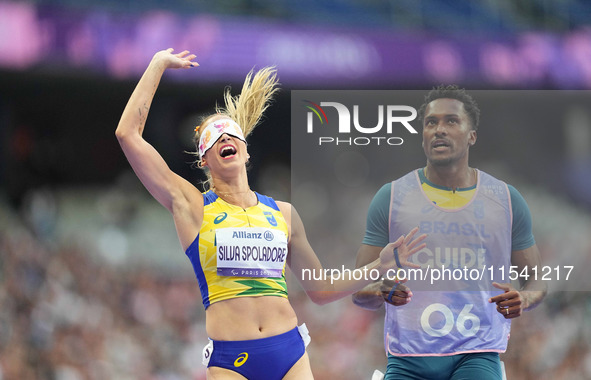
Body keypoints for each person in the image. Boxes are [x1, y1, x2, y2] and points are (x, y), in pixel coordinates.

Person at [115, 48, 426, 380]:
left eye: (231, 133)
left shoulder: (284, 214)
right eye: (214, 138)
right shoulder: (192, 207)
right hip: (231, 360)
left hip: (289, 353)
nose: (224, 137)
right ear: (205, 159)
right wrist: (158, 64)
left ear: (246, 151)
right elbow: (128, 135)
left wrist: (379, 266)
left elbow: (320, 290)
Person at [352, 85, 547, 380]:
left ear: (472, 135)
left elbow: (537, 277)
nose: (439, 130)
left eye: (451, 121)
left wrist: (526, 298)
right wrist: (380, 290)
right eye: (431, 122)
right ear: (423, 134)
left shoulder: (505, 199)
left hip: (477, 354)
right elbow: (356, 289)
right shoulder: (391, 197)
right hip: (409, 360)